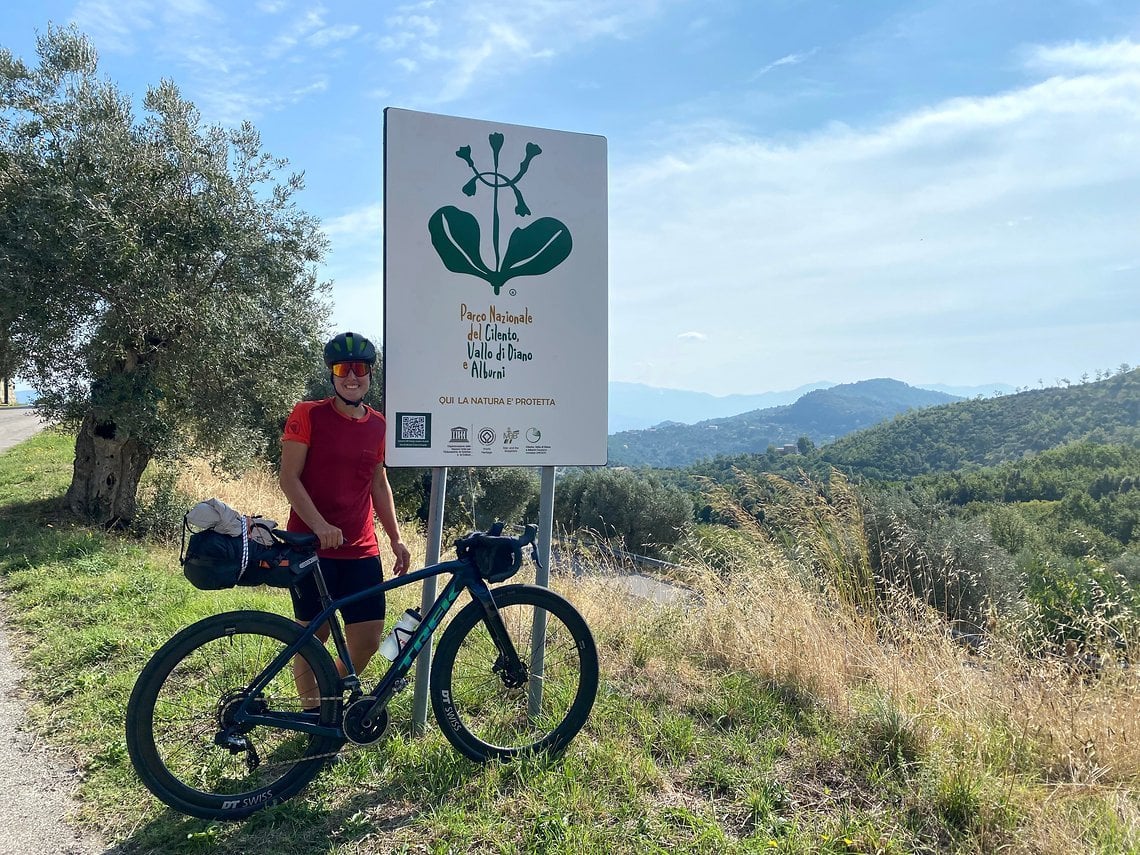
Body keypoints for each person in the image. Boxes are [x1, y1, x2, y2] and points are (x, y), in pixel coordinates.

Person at [280, 332, 412, 709]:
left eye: (360, 369)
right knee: (312, 637)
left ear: (370, 374)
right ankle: (313, 715)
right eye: (343, 369)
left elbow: (377, 480)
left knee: (369, 641)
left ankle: (327, 692)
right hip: (310, 545)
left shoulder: (378, 425)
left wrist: (395, 537)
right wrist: (319, 526)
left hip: (360, 548)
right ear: (332, 374)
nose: (352, 376)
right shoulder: (308, 414)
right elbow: (288, 477)